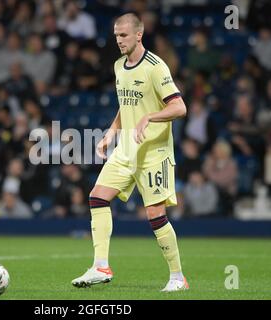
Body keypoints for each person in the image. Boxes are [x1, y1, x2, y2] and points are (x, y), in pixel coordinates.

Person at [71, 13, 189, 292]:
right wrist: (111, 132)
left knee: (154, 215)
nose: (119, 41)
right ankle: (100, 265)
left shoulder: (155, 67)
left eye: (123, 35)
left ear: (139, 34)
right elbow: (126, 105)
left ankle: (177, 277)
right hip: (126, 148)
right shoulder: (118, 67)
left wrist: (150, 117)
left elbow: (179, 108)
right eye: (116, 36)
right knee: (97, 197)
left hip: (154, 152)